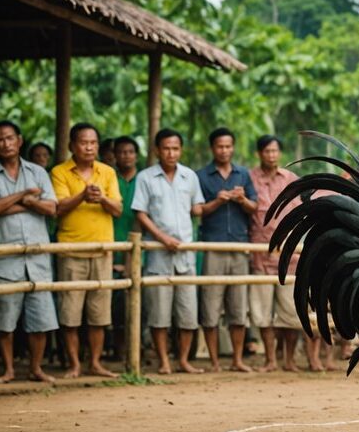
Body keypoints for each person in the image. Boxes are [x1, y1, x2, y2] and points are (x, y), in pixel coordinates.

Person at [0, 121, 58, 383]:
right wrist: (26, 196)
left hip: (37, 256)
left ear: (20, 140)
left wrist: (12, 203)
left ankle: (36, 368)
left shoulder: (38, 171)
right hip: (5, 258)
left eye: (10, 138)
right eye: (0, 140)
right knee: (5, 320)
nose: (6, 143)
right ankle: (8, 369)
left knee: (41, 317)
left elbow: (51, 209)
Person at [50, 122, 122, 378]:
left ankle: (95, 363)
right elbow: (57, 207)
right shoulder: (59, 172)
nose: (89, 147)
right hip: (71, 250)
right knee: (70, 314)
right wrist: (82, 195)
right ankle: (74, 364)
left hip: (103, 249)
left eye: (93, 143)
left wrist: (101, 198)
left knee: (99, 314)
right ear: (72, 145)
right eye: (83, 142)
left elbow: (118, 209)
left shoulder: (107, 172)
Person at [132, 128, 204, 374]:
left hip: (186, 254)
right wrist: (161, 237)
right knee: (159, 314)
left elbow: (197, 208)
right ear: (156, 150)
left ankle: (183, 359)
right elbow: (140, 213)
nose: (171, 153)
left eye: (175, 148)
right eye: (166, 148)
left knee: (188, 314)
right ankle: (163, 360)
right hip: (158, 255)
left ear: (180, 150)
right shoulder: (145, 178)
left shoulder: (190, 177)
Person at [249, 135, 323, 372]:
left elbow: (307, 206)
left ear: (279, 153)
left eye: (275, 151)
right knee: (262, 312)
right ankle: (270, 359)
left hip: (290, 255)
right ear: (259, 153)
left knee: (290, 312)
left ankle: (289, 360)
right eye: (267, 151)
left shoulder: (291, 179)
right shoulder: (250, 178)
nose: (271, 155)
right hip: (260, 253)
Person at [196, 128, 258, 373]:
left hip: (239, 245)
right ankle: (213, 361)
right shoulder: (201, 176)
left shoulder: (243, 174)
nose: (224, 150)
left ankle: (237, 359)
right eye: (220, 146)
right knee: (210, 307)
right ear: (213, 148)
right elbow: (198, 210)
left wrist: (242, 200)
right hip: (213, 245)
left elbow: (255, 208)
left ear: (233, 147)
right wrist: (217, 201)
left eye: (228, 146)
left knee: (238, 307)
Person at [110, 135, 141, 362]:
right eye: (121, 152)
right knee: (114, 306)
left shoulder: (145, 179)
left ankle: (137, 351)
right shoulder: (109, 178)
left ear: (136, 155)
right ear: (114, 155)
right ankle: (118, 351)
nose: (126, 156)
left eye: (130, 152)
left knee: (140, 305)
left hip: (141, 249)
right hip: (112, 244)